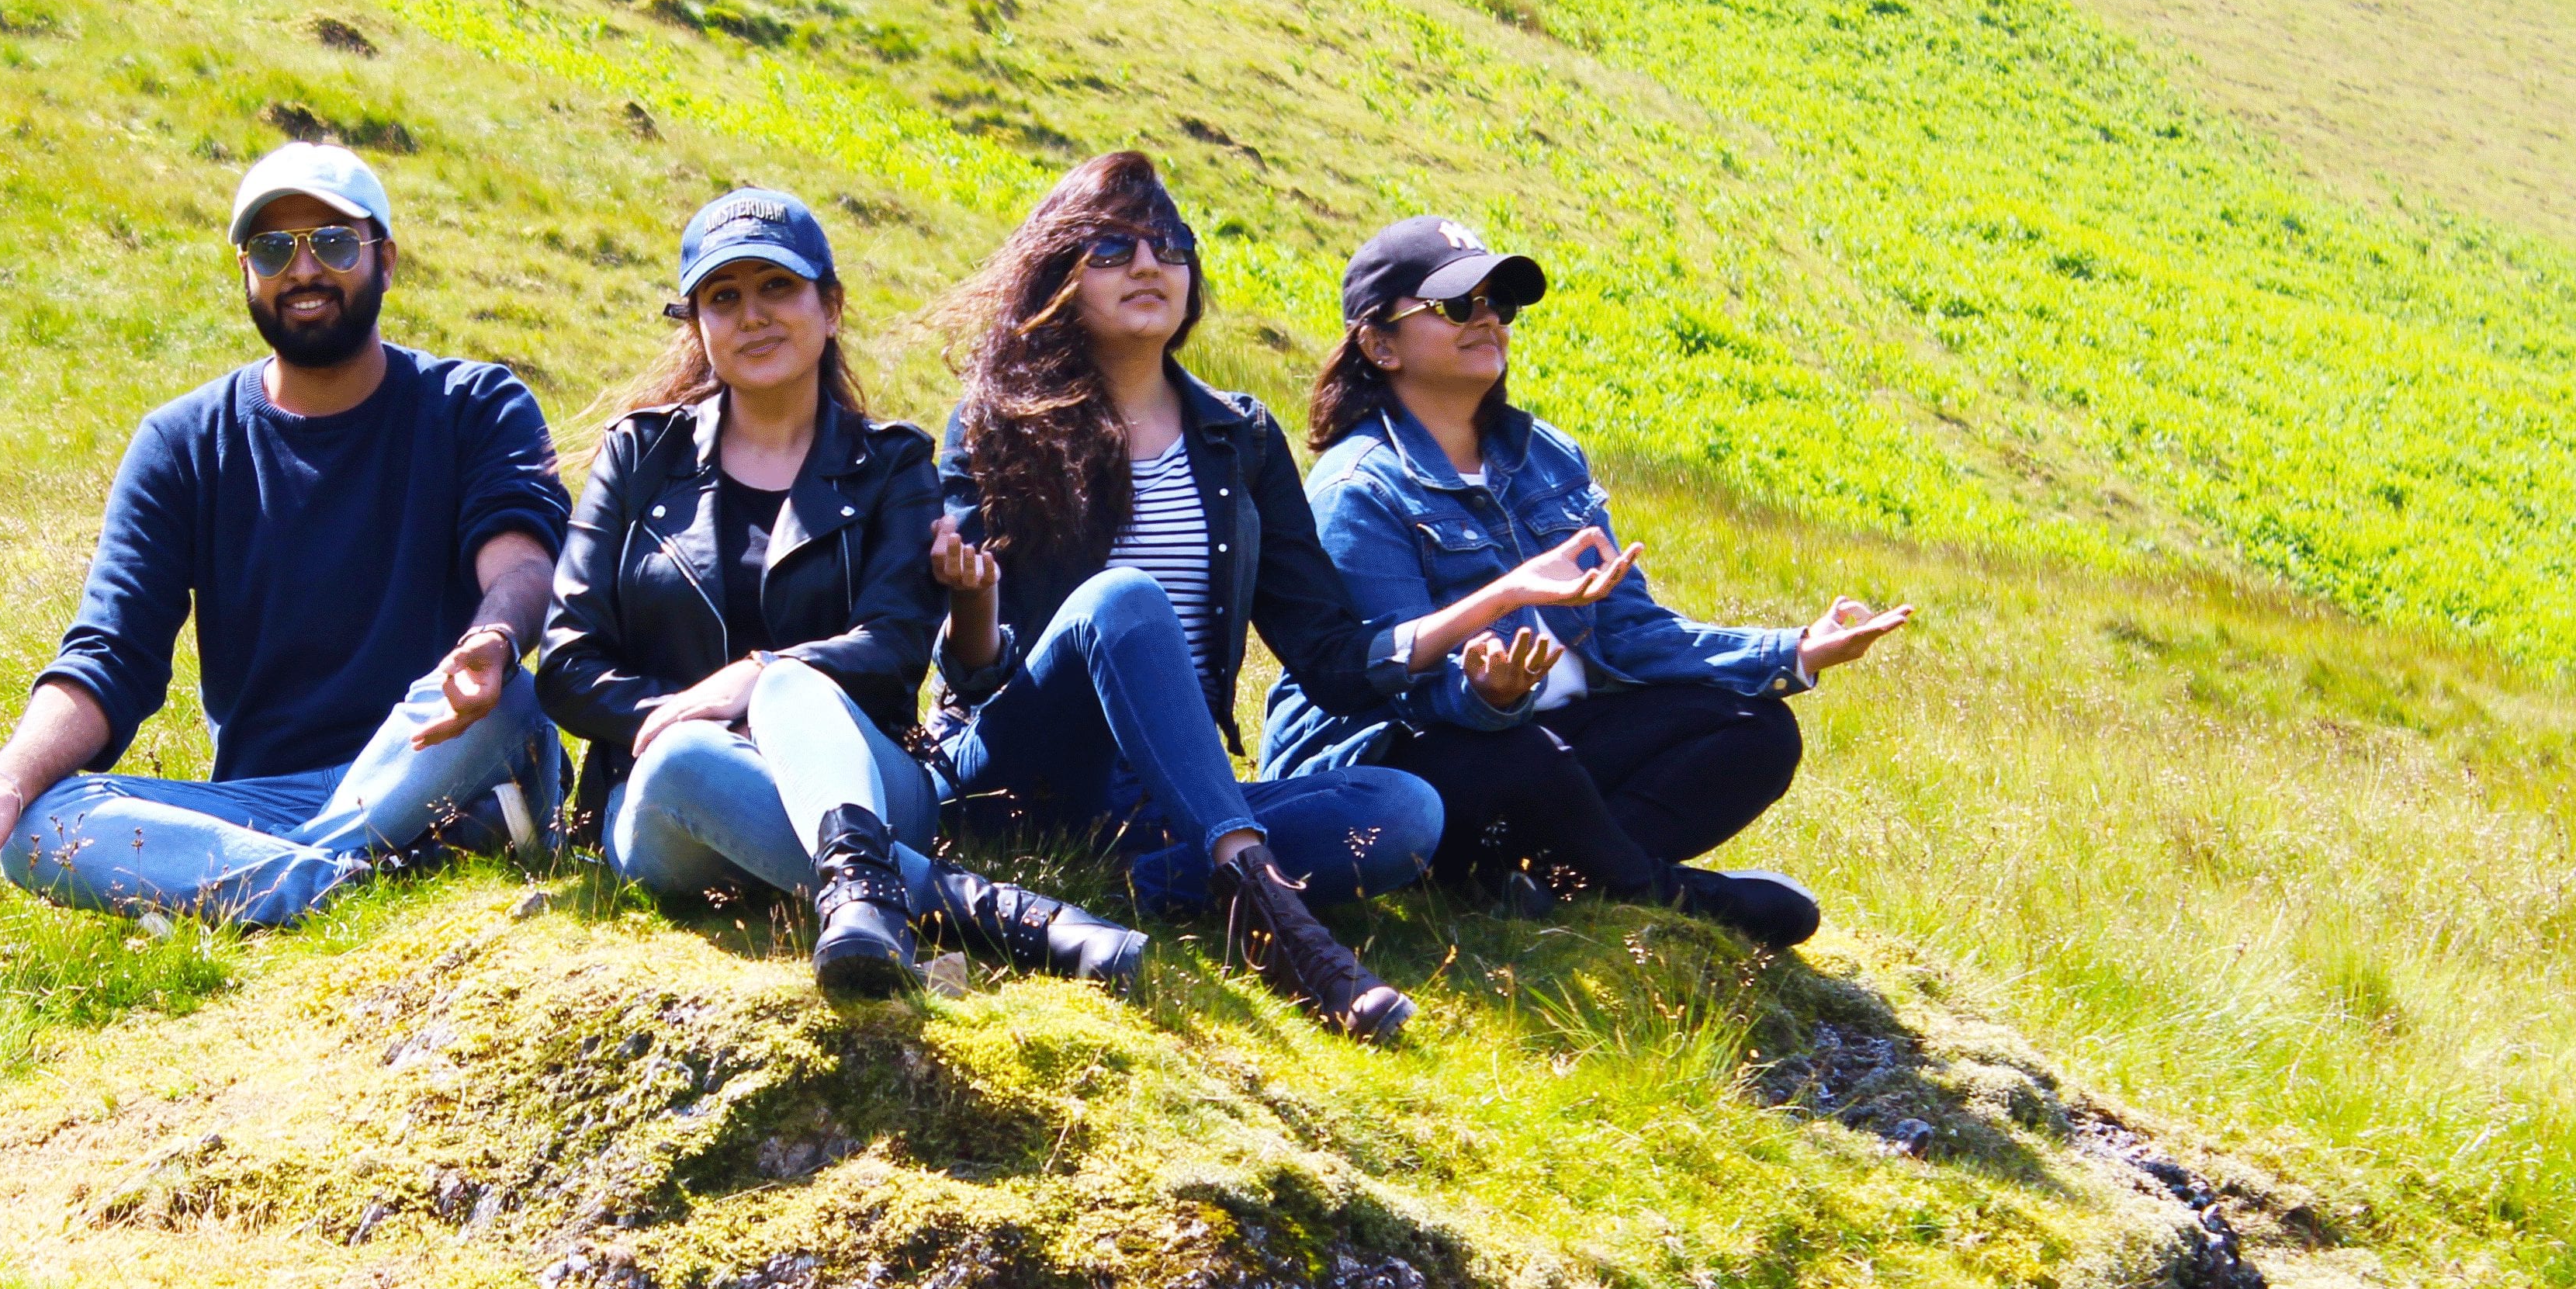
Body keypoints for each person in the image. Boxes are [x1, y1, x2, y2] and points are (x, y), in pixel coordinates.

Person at [924, 152, 1629, 1042]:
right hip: (1023, 773)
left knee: (1406, 812)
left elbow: (1332, 659)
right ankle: (1272, 914)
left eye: (1169, 244)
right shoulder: (995, 423)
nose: (1148, 264)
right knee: (1123, 602)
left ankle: (1136, 882)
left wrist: (1497, 598)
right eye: (1110, 248)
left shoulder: (1240, 438)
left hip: (1163, 800)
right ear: (1058, 275)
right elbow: (977, 677)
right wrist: (972, 608)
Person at [0, 144, 567, 925]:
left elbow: (522, 563)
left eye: (334, 243)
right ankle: (355, 879)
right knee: (41, 827)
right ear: (245, 272)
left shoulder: (476, 405)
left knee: (511, 698)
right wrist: (9, 780)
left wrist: (493, 640)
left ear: (386, 261)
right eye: (272, 249)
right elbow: (110, 653)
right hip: (264, 800)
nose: (303, 270)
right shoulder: (183, 443)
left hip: (438, 747)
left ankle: (264, 885)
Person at [542, 189, 1147, 999]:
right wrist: (687, 717)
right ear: (698, 326)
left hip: (868, 778)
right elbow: (567, 662)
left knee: (789, 683)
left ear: (829, 308)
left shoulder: (893, 464)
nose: (753, 315)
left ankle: (863, 896)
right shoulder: (639, 456)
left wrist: (758, 678)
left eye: (777, 287)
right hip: (669, 792)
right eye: (724, 297)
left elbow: (894, 643)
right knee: (684, 760)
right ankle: (992, 915)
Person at [1261, 217, 1913, 948]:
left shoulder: (1548, 455)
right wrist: (1489, 694)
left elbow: (1630, 632)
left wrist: (1795, 650)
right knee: (1525, 759)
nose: (1487, 320)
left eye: (1500, 303)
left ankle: (1545, 880)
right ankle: (1659, 891)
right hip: (1402, 763)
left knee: (1754, 727)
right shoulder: (1358, 488)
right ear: (1380, 345)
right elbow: (1387, 680)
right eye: (1456, 305)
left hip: (1544, 748)